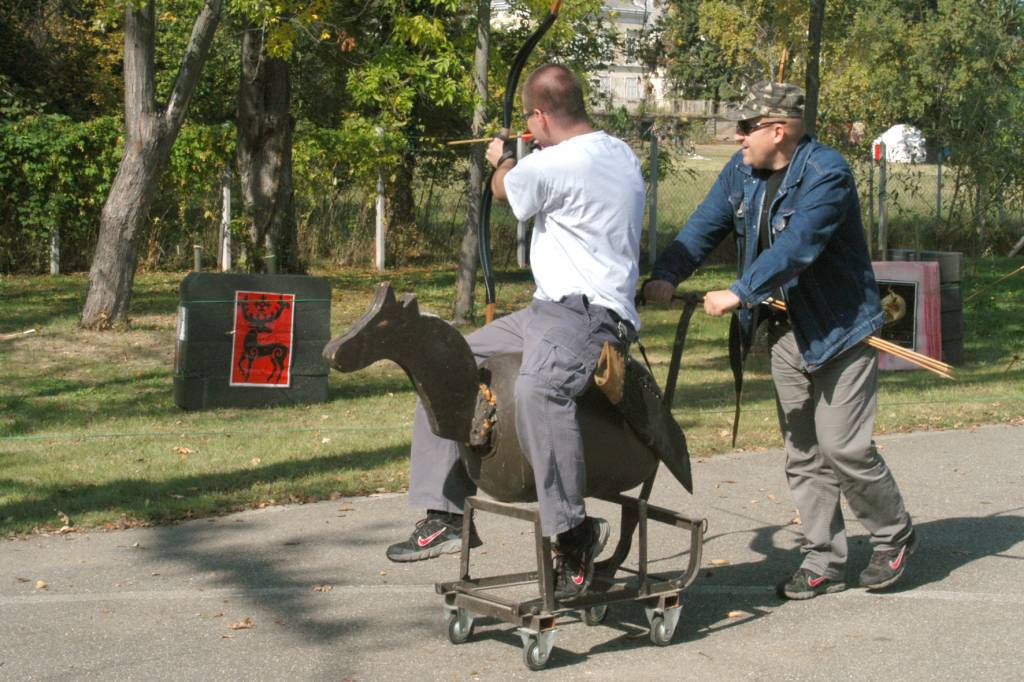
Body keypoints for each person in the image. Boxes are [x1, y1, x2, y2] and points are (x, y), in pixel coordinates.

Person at [644, 81, 917, 599]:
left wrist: (740, 291)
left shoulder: (827, 173)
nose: (738, 137)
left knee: (843, 446)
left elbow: (798, 245)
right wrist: (666, 274)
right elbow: (703, 226)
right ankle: (823, 559)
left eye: (746, 127)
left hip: (840, 329)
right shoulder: (741, 171)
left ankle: (893, 536)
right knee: (803, 451)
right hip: (785, 331)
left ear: (777, 130)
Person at [386, 64, 646, 599]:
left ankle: (573, 533)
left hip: (588, 316)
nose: (532, 130)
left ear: (540, 116)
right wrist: (523, 149)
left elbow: (506, 190)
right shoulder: (617, 151)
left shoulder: (554, 164)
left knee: (539, 391)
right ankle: (446, 513)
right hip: (547, 310)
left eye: (532, 121)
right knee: (443, 363)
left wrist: (503, 156)